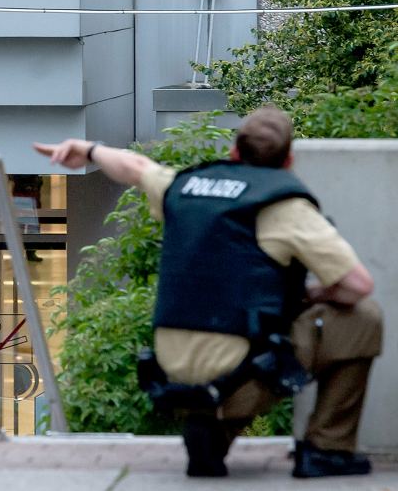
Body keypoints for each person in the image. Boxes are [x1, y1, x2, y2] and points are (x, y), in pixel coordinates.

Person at [34, 106, 382, 479]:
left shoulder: (184, 186)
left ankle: (210, 433)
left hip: (170, 371)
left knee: (240, 340)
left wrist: (87, 149)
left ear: (234, 152)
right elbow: (358, 285)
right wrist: (311, 297)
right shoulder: (285, 206)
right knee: (363, 318)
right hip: (240, 374)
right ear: (288, 161)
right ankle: (326, 450)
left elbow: (133, 166)